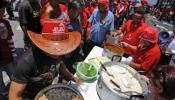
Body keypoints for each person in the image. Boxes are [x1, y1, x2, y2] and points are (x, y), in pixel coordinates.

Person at [9, 20, 82, 100]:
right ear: (44, 42)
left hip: (47, 90)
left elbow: (60, 64)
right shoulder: (27, 62)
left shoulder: (59, 54)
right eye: (53, 48)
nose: (57, 52)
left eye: (61, 47)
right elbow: (14, 96)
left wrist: (72, 77)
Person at [0, 2, 17, 100]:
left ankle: (15, 92)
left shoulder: (6, 23)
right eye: (0, 11)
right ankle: (4, 95)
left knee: (13, 76)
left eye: (3, 10)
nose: (2, 13)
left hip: (7, 56)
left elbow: (10, 40)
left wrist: (14, 55)